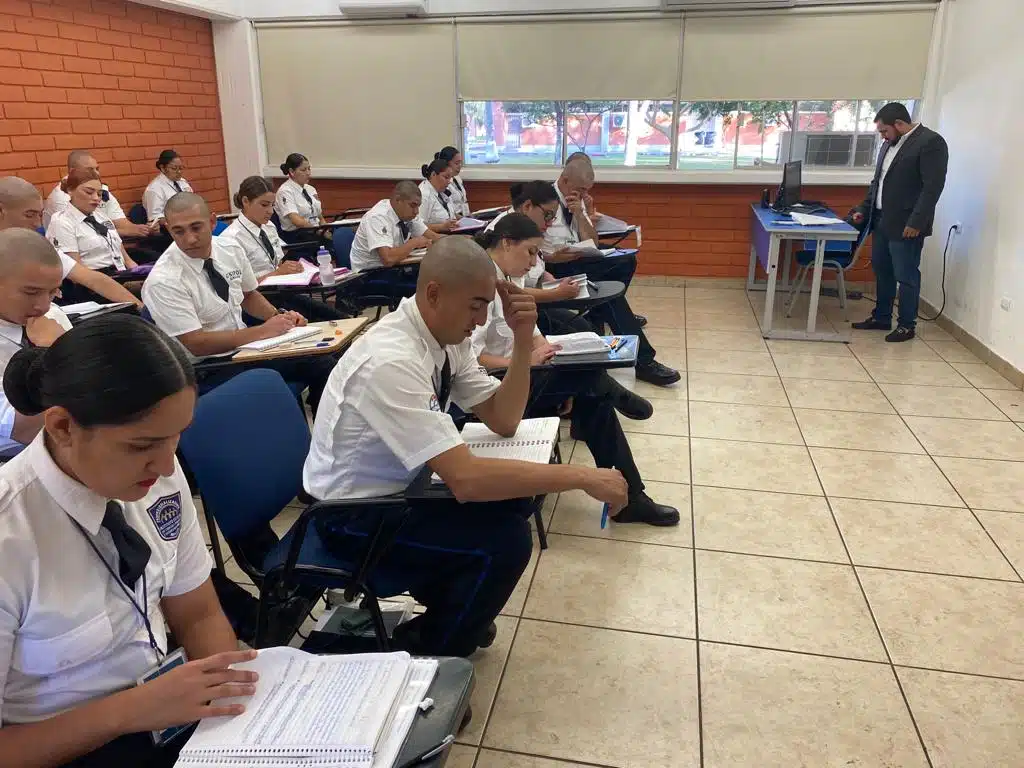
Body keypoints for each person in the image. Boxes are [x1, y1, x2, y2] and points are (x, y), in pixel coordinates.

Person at [303, 236, 632, 657]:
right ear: (435, 294)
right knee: (505, 541)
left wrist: (522, 341)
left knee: (513, 505)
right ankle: (429, 650)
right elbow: (467, 481)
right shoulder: (391, 360)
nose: (481, 321)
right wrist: (583, 477)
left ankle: (452, 612)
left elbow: (503, 418)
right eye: (476, 305)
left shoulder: (444, 336)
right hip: (349, 516)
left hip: (402, 488)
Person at [0, 313, 258, 767]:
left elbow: (197, 614)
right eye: (141, 446)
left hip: (163, 712)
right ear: (61, 427)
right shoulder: (11, 535)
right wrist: (128, 712)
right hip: (60, 746)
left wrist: (235, 717)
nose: (164, 466)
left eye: (176, 438)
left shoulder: (156, 474)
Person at [472, 215, 678, 527]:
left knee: (591, 394)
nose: (533, 262)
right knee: (588, 383)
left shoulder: (507, 277)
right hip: (497, 388)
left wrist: (542, 349)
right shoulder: (480, 284)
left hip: (525, 372)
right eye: (529, 252)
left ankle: (631, 499)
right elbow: (473, 360)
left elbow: (530, 329)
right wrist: (523, 363)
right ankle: (612, 394)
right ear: (506, 243)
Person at [141, 192, 336, 413]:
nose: (189, 239)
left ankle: (323, 434)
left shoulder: (229, 249)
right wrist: (263, 331)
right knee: (277, 379)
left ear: (213, 222)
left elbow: (249, 295)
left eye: (196, 227)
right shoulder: (164, 280)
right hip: (206, 368)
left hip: (244, 350)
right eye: (178, 231)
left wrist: (279, 318)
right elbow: (196, 343)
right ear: (168, 228)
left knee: (324, 360)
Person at [491, 180, 681, 386]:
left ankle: (605, 373)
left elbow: (536, 264)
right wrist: (556, 294)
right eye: (547, 215)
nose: (549, 221)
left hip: (539, 292)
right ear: (528, 206)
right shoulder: (505, 232)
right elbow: (510, 291)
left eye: (552, 217)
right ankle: (639, 363)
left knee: (595, 311)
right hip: (527, 306)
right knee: (599, 311)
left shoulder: (527, 227)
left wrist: (551, 278)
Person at [851, 102, 949, 342]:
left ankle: (907, 325)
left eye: (885, 131)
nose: (882, 137)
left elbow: (932, 188)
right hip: (882, 219)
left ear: (899, 124)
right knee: (882, 270)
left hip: (907, 224)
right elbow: (878, 182)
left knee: (906, 275)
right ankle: (882, 316)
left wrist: (916, 222)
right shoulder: (888, 146)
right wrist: (864, 208)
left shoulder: (930, 143)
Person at [0, 176, 143, 309]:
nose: (38, 224)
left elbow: (93, 279)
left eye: (40, 215)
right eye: (29, 215)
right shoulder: (62, 221)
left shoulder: (33, 247)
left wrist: (141, 308)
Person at [221, 176, 344, 322]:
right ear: (245, 201)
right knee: (316, 323)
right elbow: (239, 290)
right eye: (264, 205)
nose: (270, 211)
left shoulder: (268, 227)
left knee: (337, 318)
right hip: (257, 302)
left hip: (281, 293)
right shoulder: (231, 239)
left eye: (272, 205)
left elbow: (277, 261)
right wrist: (277, 272)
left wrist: (294, 269)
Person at [0, 230, 71, 459]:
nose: (43, 306)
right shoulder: (51, 334)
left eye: (52, 292)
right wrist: (55, 353)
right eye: (31, 292)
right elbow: (24, 429)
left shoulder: (54, 317)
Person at [45, 167, 138, 273]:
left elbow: (125, 257)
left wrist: (138, 272)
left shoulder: (101, 216)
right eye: (89, 192)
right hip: (92, 281)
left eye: (99, 194)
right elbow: (76, 272)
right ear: (70, 190)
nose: (96, 198)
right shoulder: (61, 221)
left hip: (121, 273)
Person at [42, 150, 154, 237]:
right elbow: (82, 235)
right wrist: (123, 232)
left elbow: (120, 221)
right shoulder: (62, 196)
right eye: (90, 170)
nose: (97, 173)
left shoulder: (101, 190)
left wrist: (141, 228)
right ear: (72, 171)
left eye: (97, 168)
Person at [349, 181, 442, 272]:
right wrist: (415, 243)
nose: (416, 211)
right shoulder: (378, 217)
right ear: (398, 200)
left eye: (418, 206)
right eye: (413, 205)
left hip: (395, 269)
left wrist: (454, 241)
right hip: (369, 275)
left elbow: (434, 237)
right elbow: (388, 259)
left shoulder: (407, 215)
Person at [274, 153, 323, 236]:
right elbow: (296, 220)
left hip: (315, 231)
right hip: (298, 235)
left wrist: (327, 230)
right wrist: (317, 231)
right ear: (292, 172)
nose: (308, 173)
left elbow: (320, 217)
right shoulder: (285, 191)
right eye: (303, 170)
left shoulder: (310, 189)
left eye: (309, 169)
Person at [142, 150, 194, 225]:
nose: (179, 172)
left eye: (181, 168)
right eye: (174, 168)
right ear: (162, 168)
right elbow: (155, 218)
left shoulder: (182, 182)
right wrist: (179, 220)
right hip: (170, 229)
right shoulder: (154, 189)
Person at [417, 159, 459, 232]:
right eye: (446, 177)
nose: (449, 182)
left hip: (450, 233)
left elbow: (451, 214)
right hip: (434, 238)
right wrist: (441, 227)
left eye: (450, 178)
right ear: (433, 174)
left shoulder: (442, 191)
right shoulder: (424, 195)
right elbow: (417, 226)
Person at [435, 146, 469, 218]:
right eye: (457, 163)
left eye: (460, 163)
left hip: (465, 216)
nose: (459, 166)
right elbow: (449, 212)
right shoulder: (442, 183)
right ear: (446, 164)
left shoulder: (457, 178)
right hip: (455, 219)